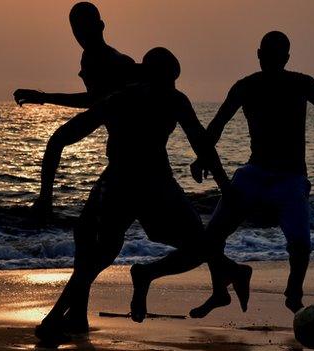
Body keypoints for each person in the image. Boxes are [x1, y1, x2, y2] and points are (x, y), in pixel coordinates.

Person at [30, 47, 242, 341]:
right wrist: (225, 185)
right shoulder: (171, 99)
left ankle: (62, 315)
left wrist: (46, 194)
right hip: (150, 183)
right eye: (170, 80)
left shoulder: (123, 99)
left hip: (122, 182)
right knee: (200, 245)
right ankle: (137, 280)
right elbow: (201, 144)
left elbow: (60, 139)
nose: (172, 86)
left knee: (101, 252)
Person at [189, 31, 314, 318]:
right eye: (267, 55)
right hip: (255, 171)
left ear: (285, 59)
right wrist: (201, 156)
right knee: (211, 236)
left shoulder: (302, 84)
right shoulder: (246, 87)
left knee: (300, 243)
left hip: (290, 176)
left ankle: (294, 293)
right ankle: (220, 290)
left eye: (277, 57)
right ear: (259, 55)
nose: (271, 60)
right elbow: (218, 124)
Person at [14, 1, 141, 218]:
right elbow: (98, 102)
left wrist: (44, 98)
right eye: (76, 29)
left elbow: (94, 99)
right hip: (118, 148)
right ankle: (45, 201)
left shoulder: (113, 60)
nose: (80, 34)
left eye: (85, 27)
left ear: (100, 26)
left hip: (135, 151)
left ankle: (45, 202)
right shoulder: (89, 57)